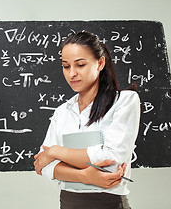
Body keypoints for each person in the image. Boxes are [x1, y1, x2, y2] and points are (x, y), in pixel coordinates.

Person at [34, 31, 140, 208]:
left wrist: (55, 152)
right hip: (68, 203)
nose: (72, 73)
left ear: (100, 63)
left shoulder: (124, 101)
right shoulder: (62, 112)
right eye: (66, 66)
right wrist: (85, 176)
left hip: (109, 203)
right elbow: (42, 166)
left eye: (80, 65)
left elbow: (112, 158)